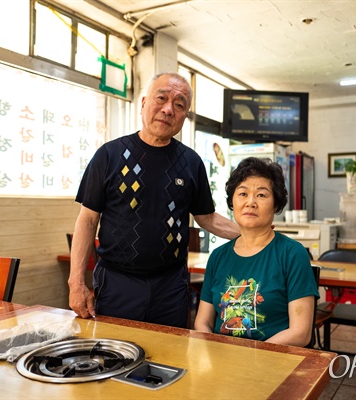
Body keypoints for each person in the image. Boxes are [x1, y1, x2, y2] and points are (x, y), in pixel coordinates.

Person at [68, 72, 240, 328]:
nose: (168, 109)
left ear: (185, 116)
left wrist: (254, 233)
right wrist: (77, 283)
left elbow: (207, 218)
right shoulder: (109, 155)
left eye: (179, 105)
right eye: (161, 99)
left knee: (170, 360)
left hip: (171, 286)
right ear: (144, 103)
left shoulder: (191, 163)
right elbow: (88, 220)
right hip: (117, 283)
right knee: (116, 357)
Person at [194, 157, 318, 346]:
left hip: (273, 360)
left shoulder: (292, 254)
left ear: (276, 205)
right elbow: (203, 322)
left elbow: (300, 333)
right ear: (232, 202)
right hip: (222, 360)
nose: (250, 202)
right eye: (243, 194)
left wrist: (253, 355)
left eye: (261, 195)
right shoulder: (218, 257)